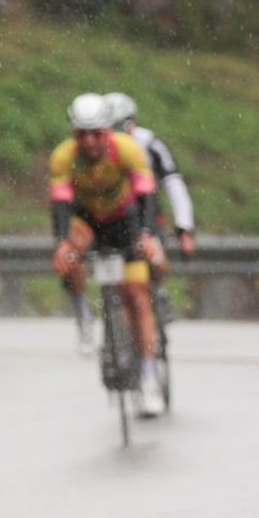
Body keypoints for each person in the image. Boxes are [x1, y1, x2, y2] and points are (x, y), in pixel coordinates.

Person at [48, 92, 165, 417]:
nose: (89, 141)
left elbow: (146, 196)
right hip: (87, 220)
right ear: (73, 133)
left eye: (96, 132)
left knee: (138, 297)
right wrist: (61, 243)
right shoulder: (63, 157)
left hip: (124, 220)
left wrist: (147, 235)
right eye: (81, 133)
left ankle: (148, 378)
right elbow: (60, 204)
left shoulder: (127, 149)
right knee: (69, 252)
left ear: (108, 130)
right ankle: (84, 316)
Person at [103, 91, 196, 302]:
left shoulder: (149, 143)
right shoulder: (95, 147)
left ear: (132, 124)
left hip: (146, 208)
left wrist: (184, 227)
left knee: (153, 251)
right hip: (109, 208)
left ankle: (157, 288)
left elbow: (173, 183)